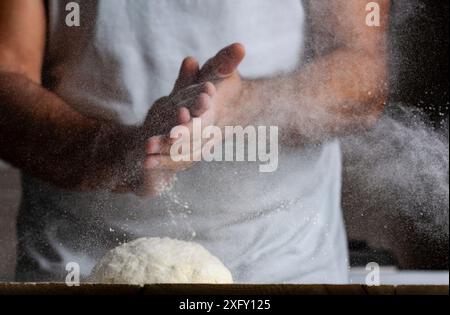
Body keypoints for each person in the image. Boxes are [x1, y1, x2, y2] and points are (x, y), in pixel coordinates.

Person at [0, 0, 389, 283]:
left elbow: (362, 72)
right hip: (81, 268)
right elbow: (7, 79)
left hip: (283, 266)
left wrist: (241, 106)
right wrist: (118, 153)